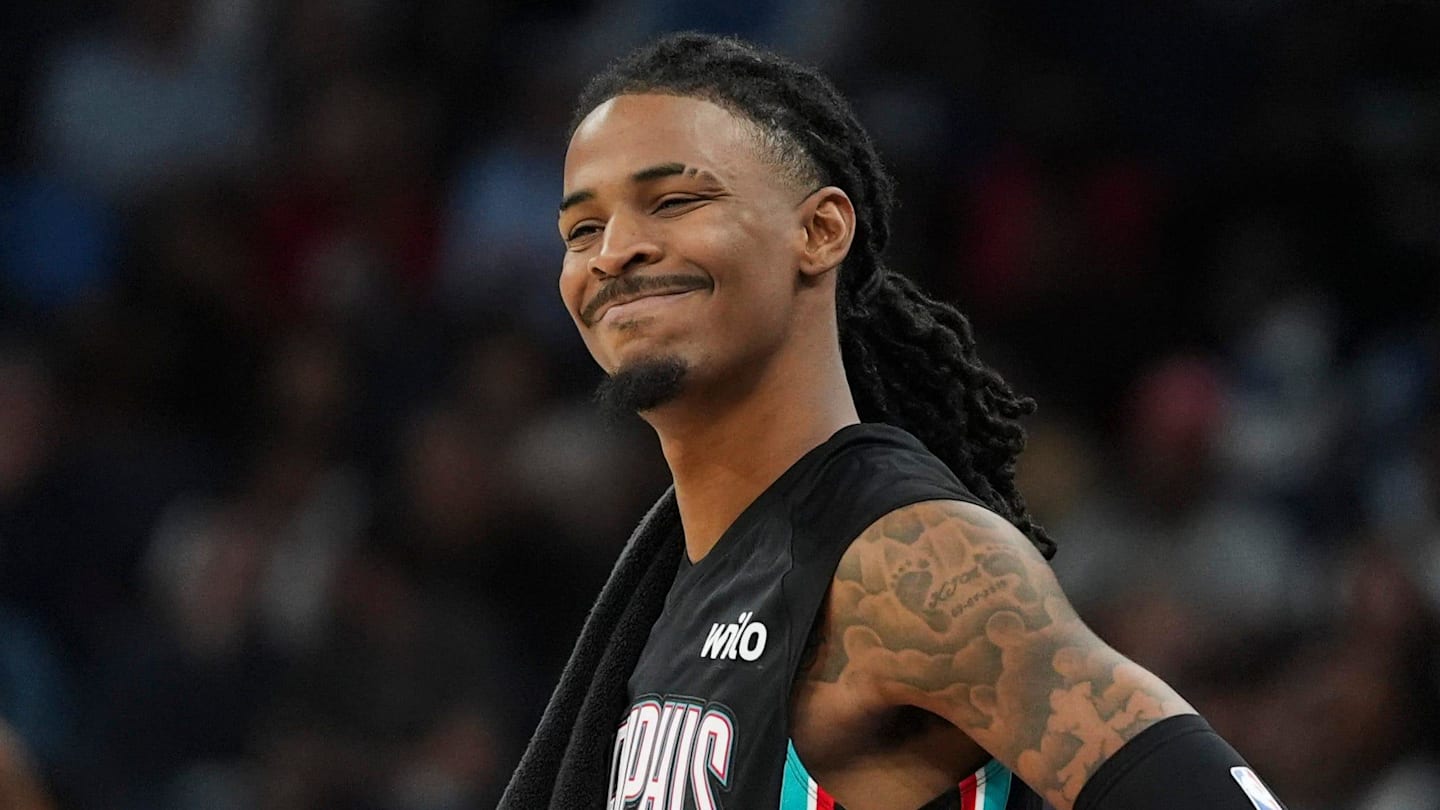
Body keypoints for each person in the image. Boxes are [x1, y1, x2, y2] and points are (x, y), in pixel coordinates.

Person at [500, 33, 1288, 810]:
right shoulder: (680, 583)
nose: (614, 252)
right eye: (582, 229)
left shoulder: (908, 560)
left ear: (820, 232)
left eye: (673, 201)